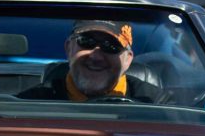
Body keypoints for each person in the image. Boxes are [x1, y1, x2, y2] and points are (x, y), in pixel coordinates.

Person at [19, 20, 165, 102]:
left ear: (128, 59)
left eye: (110, 46)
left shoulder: (158, 105)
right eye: (87, 41)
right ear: (69, 48)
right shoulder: (32, 105)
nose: (96, 56)